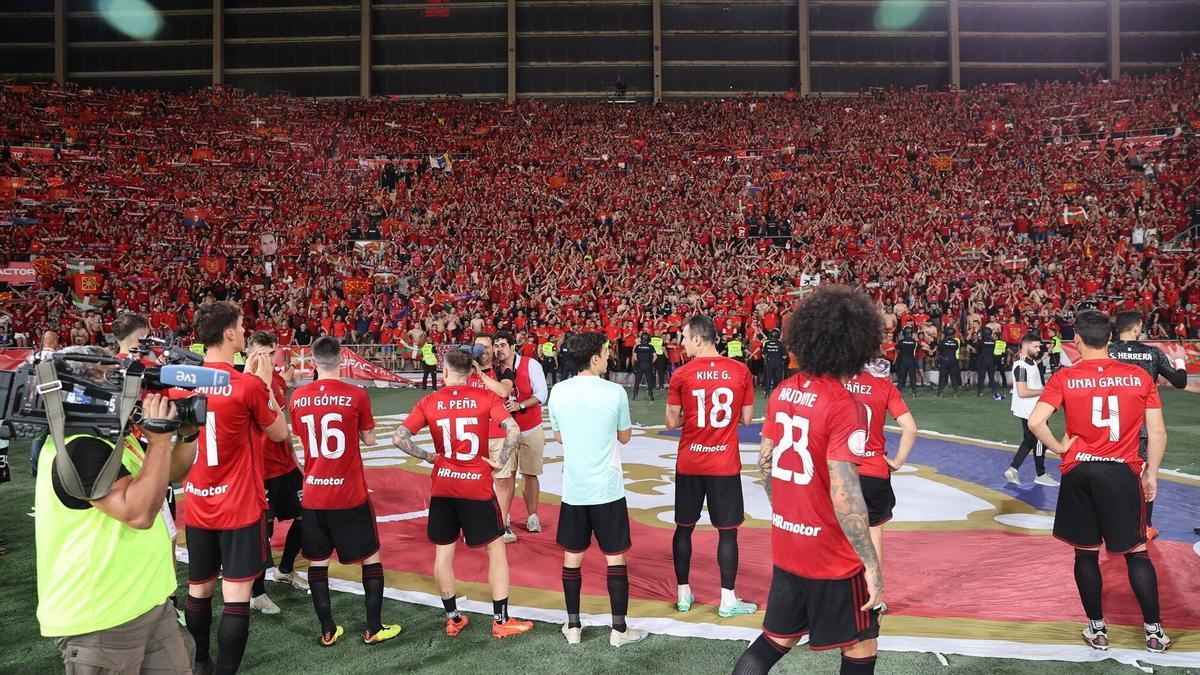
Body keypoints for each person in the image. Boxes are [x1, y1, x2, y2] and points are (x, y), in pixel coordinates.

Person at [734, 285, 882, 675]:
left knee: (775, 639)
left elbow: (764, 464)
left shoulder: (783, 391)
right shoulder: (844, 405)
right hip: (831, 555)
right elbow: (846, 494)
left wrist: (789, 511)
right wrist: (872, 565)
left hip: (787, 542)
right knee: (861, 643)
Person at [35, 351, 197, 674]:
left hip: (147, 604)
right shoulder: (80, 446)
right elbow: (138, 512)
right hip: (104, 620)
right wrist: (160, 441)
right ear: (79, 388)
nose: (125, 387)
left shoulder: (108, 440)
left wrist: (187, 432)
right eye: (110, 378)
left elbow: (171, 473)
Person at [1027, 310, 1171, 654]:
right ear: (1111, 338)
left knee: (1086, 555)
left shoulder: (1064, 377)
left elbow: (1036, 422)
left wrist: (1062, 448)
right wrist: (1151, 473)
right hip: (1122, 471)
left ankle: (1098, 629)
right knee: (1137, 554)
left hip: (1080, 471)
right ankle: (1154, 633)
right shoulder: (1138, 376)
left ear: (1076, 341)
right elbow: (1158, 431)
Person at [392, 347, 535, 640]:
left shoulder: (430, 400)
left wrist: (429, 457)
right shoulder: (485, 396)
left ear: (444, 372)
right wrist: (501, 460)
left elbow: (399, 438)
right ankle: (500, 620)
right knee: (495, 549)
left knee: (444, 552)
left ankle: (453, 618)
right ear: (471, 373)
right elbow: (513, 430)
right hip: (477, 487)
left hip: (443, 485)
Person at [183, 301, 289, 674]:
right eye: (242, 325)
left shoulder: (181, 383)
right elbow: (279, 432)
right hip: (239, 507)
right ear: (229, 333)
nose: (245, 331)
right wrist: (260, 383)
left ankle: (198, 664)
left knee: (199, 589)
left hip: (197, 502)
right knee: (236, 597)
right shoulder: (245, 385)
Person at [287, 336, 401, 646]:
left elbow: (301, 434)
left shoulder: (297, 396)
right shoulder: (356, 395)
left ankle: (327, 630)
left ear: (312, 362)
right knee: (370, 556)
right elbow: (370, 439)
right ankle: (373, 627)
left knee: (318, 561)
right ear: (342, 360)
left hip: (313, 494)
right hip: (349, 493)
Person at [548, 332, 647, 647]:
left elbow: (561, 438)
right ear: (594, 358)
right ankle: (619, 631)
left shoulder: (559, 392)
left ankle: (573, 626)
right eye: (606, 352)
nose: (609, 357)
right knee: (615, 558)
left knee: (572, 557)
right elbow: (626, 436)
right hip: (607, 489)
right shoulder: (615, 392)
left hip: (574, 489)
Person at [665, 314, 757, 617]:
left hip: (690, 461)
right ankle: (728, 600)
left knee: (684, 528)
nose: (680, 343)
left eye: (683, 337)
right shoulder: (740, 371)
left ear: (697, 340)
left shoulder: (682, 374)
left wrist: (690, 419)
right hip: (724, 463)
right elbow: (745, 419)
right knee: (727, 532)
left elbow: (670, 421)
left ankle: (683, 595)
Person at [1107, 311, 1188, 539]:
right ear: (1136, 329)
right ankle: (1145, 526)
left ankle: (1111, 523)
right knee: (1145, 473)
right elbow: (1180, 382)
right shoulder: (1152, 353)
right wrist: (1180, 358)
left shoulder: (1108, 351)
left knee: (1113, 472)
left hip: (1111, 423)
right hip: (1142, 424)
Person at [245, 331, 309, 613]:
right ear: (250, 354)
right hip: (257, 469)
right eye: (263, 354)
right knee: (261, 531)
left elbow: (281, 427)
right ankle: (256, 592)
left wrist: (295, 459)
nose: (270, 359)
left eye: (273, 353)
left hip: (283, 464)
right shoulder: (243, 384)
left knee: (306, 516)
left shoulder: (279, 383)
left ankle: (284, 570)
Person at [845, 355, 917, 604]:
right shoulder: (884, 386)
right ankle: (874, 597)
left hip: (840, 468)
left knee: (836, 534)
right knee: (874, 534)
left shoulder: (836, 379)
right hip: (873, 469)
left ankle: (835, 595)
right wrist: (897, 461)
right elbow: (910, 428)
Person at [492, 331, 549, 541]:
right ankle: (504, 520)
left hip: (530, 428)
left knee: (530, 473)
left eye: (503, 345)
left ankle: (532, 516)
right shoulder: (492, 369)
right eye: (496, 345)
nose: (499, 349)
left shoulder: (531, 364)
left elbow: (542, 394)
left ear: (512, 346)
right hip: (505, 431)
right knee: (506, 477)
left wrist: (520, 405)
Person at [1005, 334, 1058, 487]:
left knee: (1029, 440)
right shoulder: (1021, 366)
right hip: (1032, 410)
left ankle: (1013, 468)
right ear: (1026, 346)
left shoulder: (1030, 362)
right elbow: (1022, 391)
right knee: (1041, 440)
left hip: (1031, 408)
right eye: (1035, 346)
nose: (1038, 349)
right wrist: (1043, 390)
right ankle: (1040, 474)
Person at [974, 326, 1002, 399]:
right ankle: (994, 392)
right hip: (991, 360)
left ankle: (980, 393)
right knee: (991, 377)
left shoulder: (981, 342)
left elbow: (977, 350)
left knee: (981, 377)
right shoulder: (993, 342)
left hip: (983, 361)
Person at [935, 325, 962, 397]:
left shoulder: (943, 341)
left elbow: (939, 350)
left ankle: (940, 393)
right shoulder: (955, 342)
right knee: (953, 377)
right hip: (953, 360)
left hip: (944, 360)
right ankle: (956, 393)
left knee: (942, 377)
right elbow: (956, 349)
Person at [893, 327, 918, 397]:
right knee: (912, 377)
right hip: (911, 361)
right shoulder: (914, 342)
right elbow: (916, 349)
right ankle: (914, 392)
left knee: (901, 377)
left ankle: (899, 392)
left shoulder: (901, 342)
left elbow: (897, 348)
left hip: (903, 361)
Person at [762, 329, 787, 395]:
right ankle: (777, 392)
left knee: (769, 378)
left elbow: (763, 355)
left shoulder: (767, 343)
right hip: (778, 363)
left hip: (769, 363)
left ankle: (766, 392)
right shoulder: (780, 344)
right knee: (778, 378)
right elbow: (784, 356)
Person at [632, 333, 656, 401]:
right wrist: (650, 362)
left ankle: (635, 396)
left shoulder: (638, 346)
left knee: (637, 381)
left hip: (640, 365)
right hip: (648, 364)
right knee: (649, 381)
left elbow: (634, 357)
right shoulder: (651, 346)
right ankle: (650, 396)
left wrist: (639, 361)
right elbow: (655, 357)